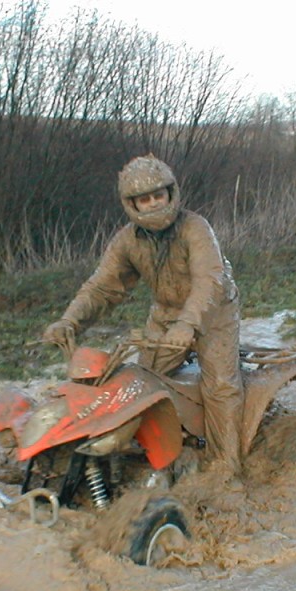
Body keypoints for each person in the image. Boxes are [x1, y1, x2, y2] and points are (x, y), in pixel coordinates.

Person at [43, 154, 244, 472]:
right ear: (131, 204)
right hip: (165, 312)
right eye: (144, 199)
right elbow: (103, 287)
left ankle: (226, 463)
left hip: (213, 311)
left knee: (221, 385)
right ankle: (148, 450)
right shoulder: (126, 240)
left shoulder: (196, 228)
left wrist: (188, 324)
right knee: (139, 382)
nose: (152, 204)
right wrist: (70, 320)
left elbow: (209, 280)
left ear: (171, 193)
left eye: (158, 195)